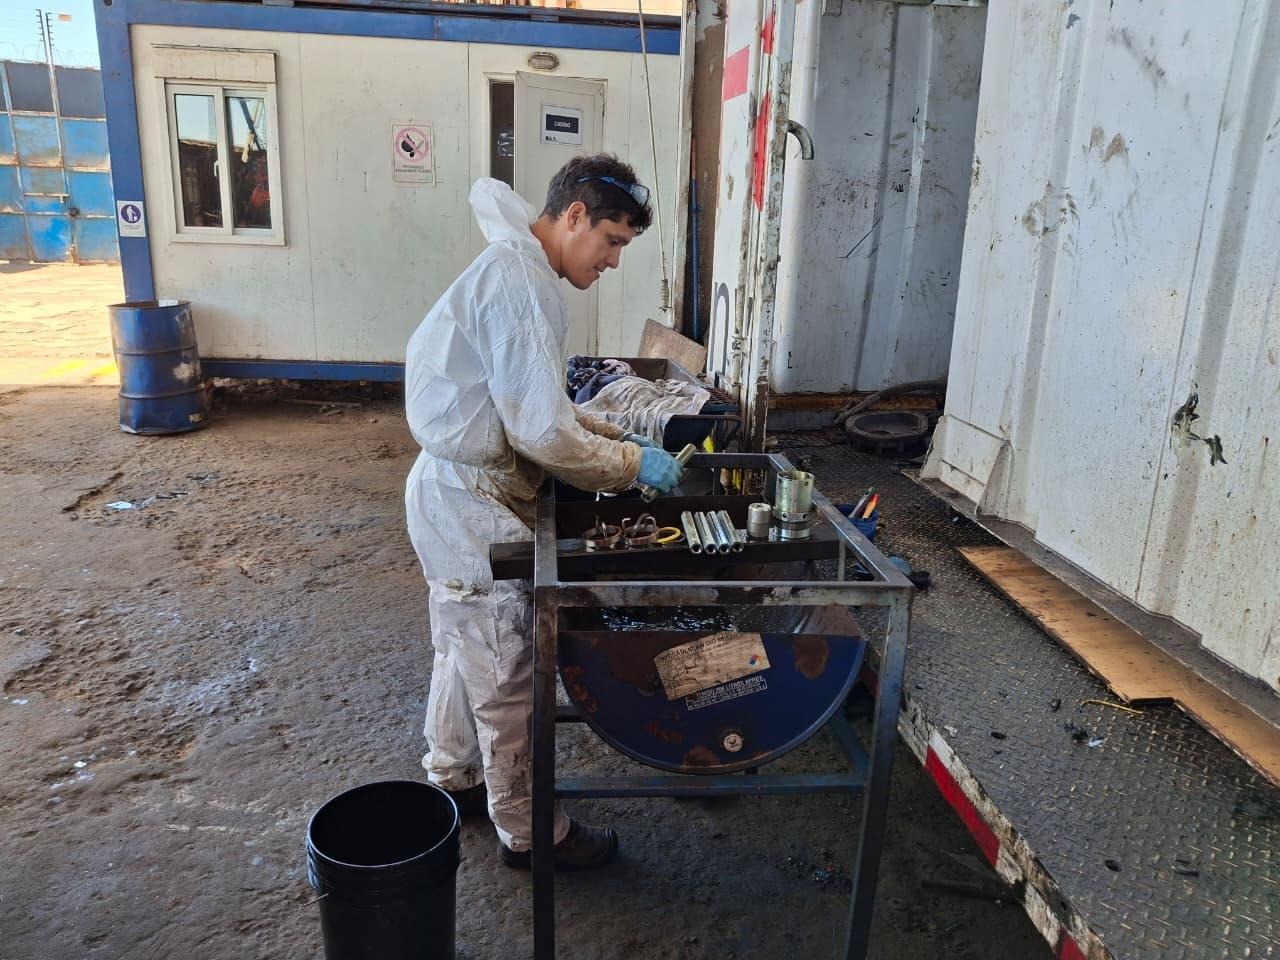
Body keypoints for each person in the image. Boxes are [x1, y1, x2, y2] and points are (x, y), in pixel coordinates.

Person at [404, 155, 683, 869]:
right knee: (504, 670)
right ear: (574, 217)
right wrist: (629, 468)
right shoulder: (522, 281)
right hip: (473, 502)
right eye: (614, 241)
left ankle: (454, 774)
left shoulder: (514, 269)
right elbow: (538, 433)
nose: (615, 261)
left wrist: (615, 432)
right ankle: (531, 836)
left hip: (452, 490)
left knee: (460, 643)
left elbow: (537, 406)